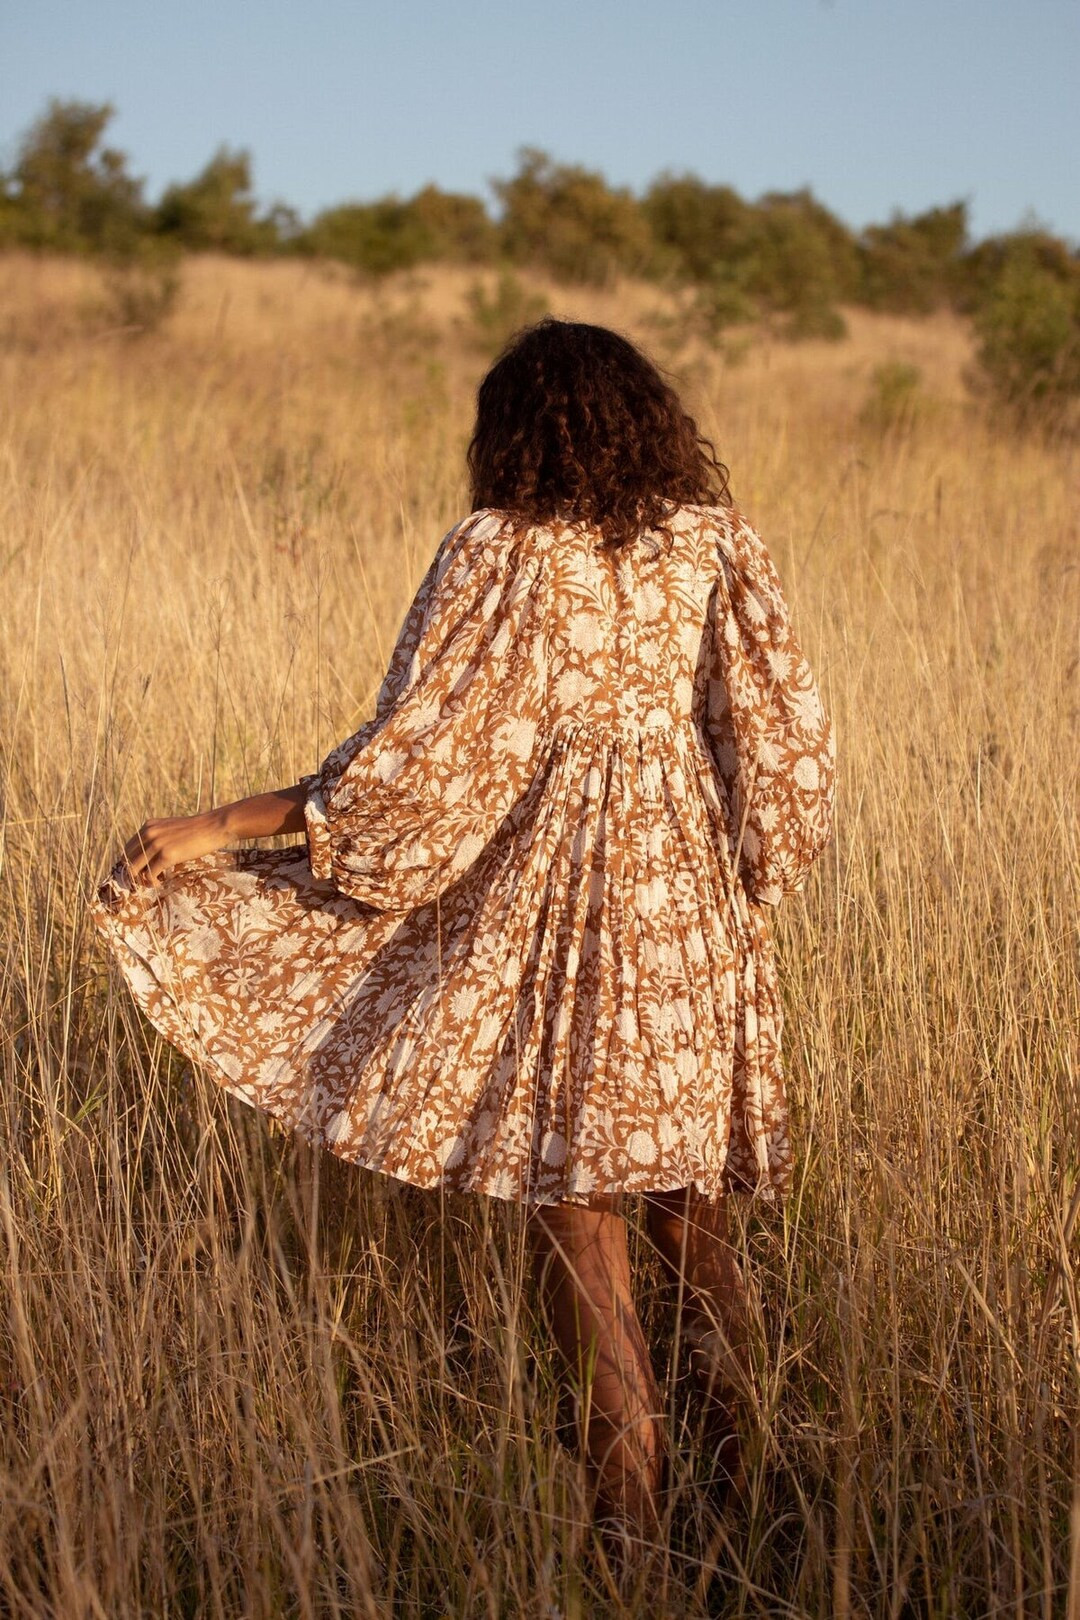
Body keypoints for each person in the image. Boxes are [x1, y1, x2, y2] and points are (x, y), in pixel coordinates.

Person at [91, 318, 835, 1568]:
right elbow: (785, 751)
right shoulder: (716, 548)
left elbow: (416, 773)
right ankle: (757, 1521)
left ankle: (628, 1546)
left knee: (582, 1222)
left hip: (570, 919)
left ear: (514, 433)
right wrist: (742, 891)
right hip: (693, 918)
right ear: (647, 420)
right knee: (692, 1222)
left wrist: (228, 825)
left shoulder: (500, 552)